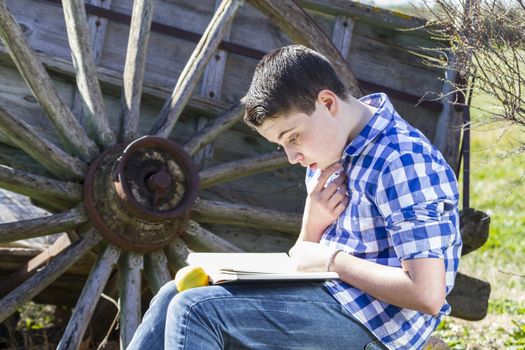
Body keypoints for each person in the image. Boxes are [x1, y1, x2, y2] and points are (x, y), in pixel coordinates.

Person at [127, 45, 462, 350]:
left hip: (377, 326)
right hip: (327, 297)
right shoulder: (329, 153)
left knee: (196, 311)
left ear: (328, 103)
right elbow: (305, 258)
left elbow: (426, 294)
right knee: (173, 294)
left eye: (293, 138)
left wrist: (333, 261)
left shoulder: (402, 160)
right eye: (282, 145)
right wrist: (312, 225)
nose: (291, 157)